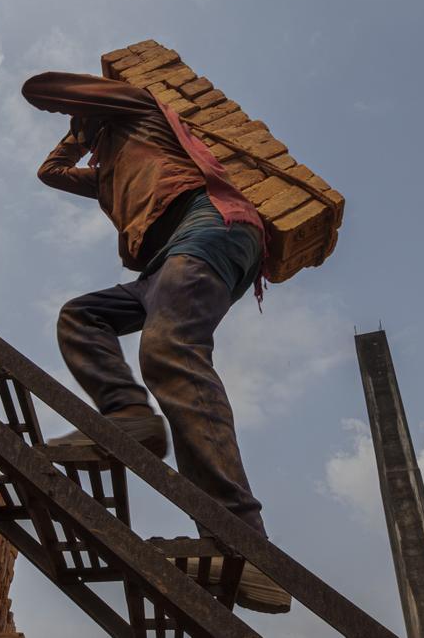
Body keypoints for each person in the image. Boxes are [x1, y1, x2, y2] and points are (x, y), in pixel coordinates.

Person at [21, 70, 290, 614]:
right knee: (82, 316)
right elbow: (50, 173)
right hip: (161, 264)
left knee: (170, 352)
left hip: (210, 224)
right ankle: (130, 417)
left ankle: (247, 549)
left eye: (88, 118)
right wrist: (83, 135)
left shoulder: (141, 107)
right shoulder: (106, 172)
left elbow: (38, 87)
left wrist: (89, 107)